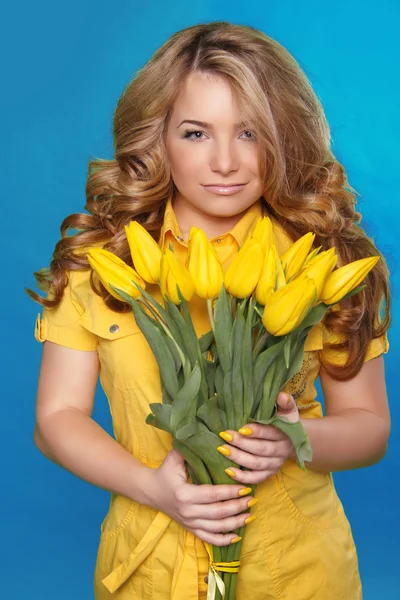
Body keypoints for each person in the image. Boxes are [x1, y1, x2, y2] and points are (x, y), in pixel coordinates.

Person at [28, 21, 391, 600]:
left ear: (284, 137)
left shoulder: (324, 264)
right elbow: (56, 420)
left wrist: (295, 440)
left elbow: (371, 428)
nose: (225, 161)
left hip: (294, 570)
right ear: (158, 138)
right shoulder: (103, 265)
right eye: (196, 133)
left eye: (249, 132)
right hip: (148, 569)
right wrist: (152, 486)